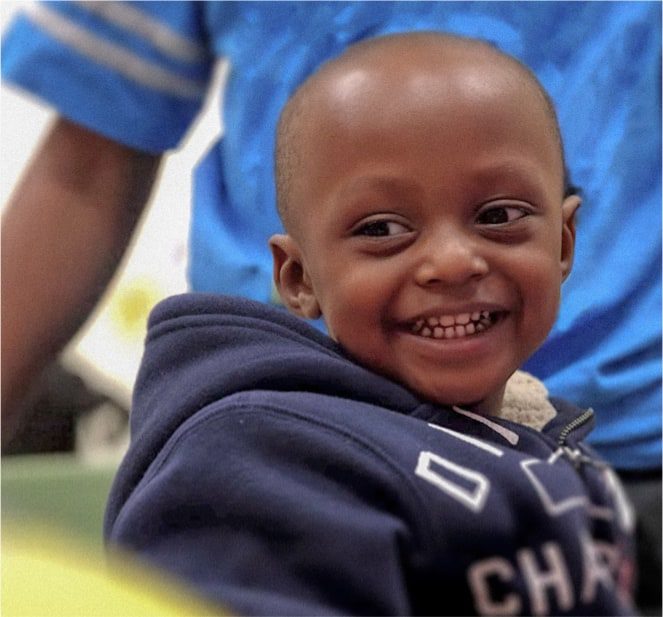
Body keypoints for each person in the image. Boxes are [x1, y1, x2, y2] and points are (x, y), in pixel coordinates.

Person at [3, 2, 660, 607]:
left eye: (497, 215)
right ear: (295, 277)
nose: (454, 261)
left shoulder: (553, 451)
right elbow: (84, 167)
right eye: (380, 229)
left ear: (565, 241)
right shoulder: (255, 481)